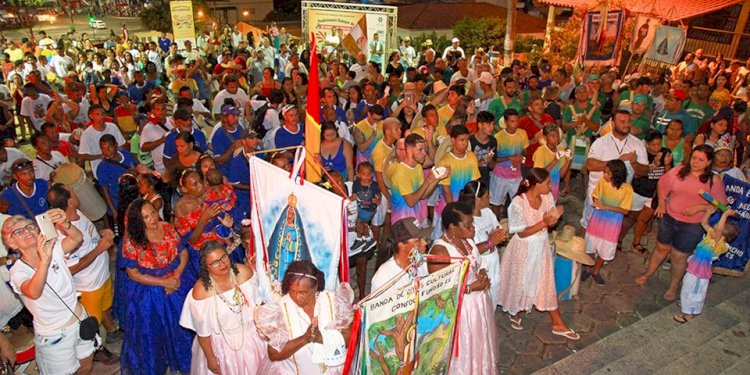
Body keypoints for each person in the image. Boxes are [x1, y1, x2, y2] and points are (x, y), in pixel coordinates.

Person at [3, 211, 93, 374]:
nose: (27, 232)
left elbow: (77, 238)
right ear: (12, 244)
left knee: (86, 367)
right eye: (18, 231)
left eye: (29, 227)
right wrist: (44, 261)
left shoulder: (53, 247)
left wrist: (65, 223)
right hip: (55, 336)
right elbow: (33, 292)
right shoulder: (18, 271)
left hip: (80, 318)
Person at [636, 145, 726, 301]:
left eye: (701, 160)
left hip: (692, 225)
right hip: (670, 217)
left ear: (708, 162)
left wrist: (702, 207)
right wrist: (662, 202)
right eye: (694, 158)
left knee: (679, 255)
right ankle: (648, 273)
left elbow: (720, 205)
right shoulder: (679, 171)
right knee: (661, 248)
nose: (696, 162)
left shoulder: (713, 180)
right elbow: (662, 184)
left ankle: (673, 285)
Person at [497, 168, 579, 339]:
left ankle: (557, 322)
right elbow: (521, 233)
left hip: (541, 245)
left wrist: (554, 217)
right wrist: (544, 222)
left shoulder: (547, 197)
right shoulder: (518, 203)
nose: (551, 185)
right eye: (547, 183)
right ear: (535, 184)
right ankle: (515, 310)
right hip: (523, 248)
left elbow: (549, 222)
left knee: (544, 281)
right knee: (520, 280)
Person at [47, 184, 121, 363]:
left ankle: (111, 332)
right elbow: (70, 269)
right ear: (70, 200)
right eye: (73, 192)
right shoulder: (61, 233)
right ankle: (95, 350)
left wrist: (100, 233)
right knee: (91, 323)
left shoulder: (78, 214)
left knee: (105, 308)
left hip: (101, 276)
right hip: (88, 286)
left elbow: (89, 236)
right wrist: (100, 248)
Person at [120, 198, 193, 374]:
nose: (152, 218)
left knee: (181, 328)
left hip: (177, 283)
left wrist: (175, 277)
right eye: (146, 217)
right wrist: (163, 282)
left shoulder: (167, 227)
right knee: (152, 334)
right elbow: (133, 273)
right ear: (138, 221)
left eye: (153, 212)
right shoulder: (132, 240)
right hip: (148, 292)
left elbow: (183, 253)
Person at [428, 202, 499, 373]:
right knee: (465, 348)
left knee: (480, 343)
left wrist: (481, 273)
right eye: (467, 225)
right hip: (460, 311)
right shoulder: (440, 253)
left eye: (472, 223)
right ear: (452, 227)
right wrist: (470, 288)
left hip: (478, 305)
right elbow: (439, 294)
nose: (473, 228)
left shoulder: (466, 240)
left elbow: (475, 262)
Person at [179, 241, 267, 374]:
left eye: (224, 257)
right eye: (215, 263)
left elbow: (260, 305)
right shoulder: (201, 292)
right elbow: (203, 333)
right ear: (206, 267)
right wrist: (210, 358)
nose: (222, 264)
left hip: (253, 338)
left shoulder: (244, 273)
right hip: (222, 346)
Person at [255, 260, 354, 374]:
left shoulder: (334, 301)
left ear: (316, 287)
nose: (297, 297)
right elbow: (274, 354)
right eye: (292, 291)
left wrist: (322, 338)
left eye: (303, 292)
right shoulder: (280, 311)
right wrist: (305, 339)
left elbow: (349, 338)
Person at [673, 208, 738, 323]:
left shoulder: (719, 244)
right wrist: (708, 214)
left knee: (695, 292)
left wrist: (726, 215)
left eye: (717, 227)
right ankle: (686, 303)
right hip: (694, 269)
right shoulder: (711, 236)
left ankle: (689, 313)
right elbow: (704, 223)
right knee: (688, 287)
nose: (714, 228)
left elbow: (719, 230)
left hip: (700, 274)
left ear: (723, 235)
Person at [619, 130, 673, 255]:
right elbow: (637, 174)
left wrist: (667, 165)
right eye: (653, 145)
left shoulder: (666, 153)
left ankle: (636, 243)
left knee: (643, 220)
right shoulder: (641, 153)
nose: (656, 148)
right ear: (646, 144)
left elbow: (669, 176)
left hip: (654, 194)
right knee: (630, 218)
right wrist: (652, 165)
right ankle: (619, 240)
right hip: (638, 191)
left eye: (659, 144)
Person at [581, 160, 633, 285]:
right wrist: (596, 201)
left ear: (616, 174)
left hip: (612, 226)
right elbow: (595, 195)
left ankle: (596, 271)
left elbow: (625, 210)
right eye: (605, 172)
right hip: (596, 221)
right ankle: (588, 269)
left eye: (607, 173)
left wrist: (606, 206)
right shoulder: (603, 182)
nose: (604, 175)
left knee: (604, 252)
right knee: (590, 247)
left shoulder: (627, 189)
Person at [459, 181, 508, 307]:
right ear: (477, 199)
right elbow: (469, 250)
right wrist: (490, 242)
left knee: (494, 293)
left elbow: (498, 230)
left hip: (494, 261)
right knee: (482, 300)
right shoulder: (468, 221)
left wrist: (500, 236)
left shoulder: (488, 212)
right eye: (486, 196)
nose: (490, 198)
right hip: (481, 265)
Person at [433, 125, 480, 239]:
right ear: (453, 140)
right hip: (448, 206)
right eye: (461, 140)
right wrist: (453, 210)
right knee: (443, 238)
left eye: (466, 140)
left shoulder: (472, 157)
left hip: (466, 205)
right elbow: (446, 190)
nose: (465, 143)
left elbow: (474, 183)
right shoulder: (445, 161)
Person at [370, 217, 430, 292]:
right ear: (402, 245)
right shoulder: (384, 277)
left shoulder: (422, 261)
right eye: (418, 240)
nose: (425, 243)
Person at [490, 109, 528, 216]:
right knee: (496, 203)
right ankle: (496, 224)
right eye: (512, 121)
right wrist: (511, 158)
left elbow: (525, 151)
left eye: (516, 121)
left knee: (519, 201)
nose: (515, 124)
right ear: (506, 122)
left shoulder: (522, 133)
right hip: (500, 175)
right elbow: (494, 159)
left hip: (516, 174)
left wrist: (521, 158)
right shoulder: (498, 137)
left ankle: (517, 225)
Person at [533, 124, 571, 201]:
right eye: (552, 136)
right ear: (545, 137)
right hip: (541, 189)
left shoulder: (561, 150)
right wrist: (554, 161)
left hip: (554, 188)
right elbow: (538, 175)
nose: (556, 138)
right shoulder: (541, 151)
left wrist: (568, 161)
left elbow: (560, 175)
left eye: (557, 135)